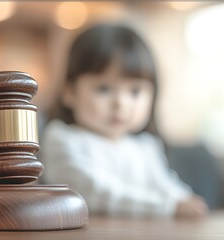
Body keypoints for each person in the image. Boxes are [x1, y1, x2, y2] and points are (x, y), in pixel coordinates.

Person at [41, 24, 208, 219]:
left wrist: (187, 199)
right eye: (103, 88)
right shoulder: (61, 138)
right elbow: (94, 192)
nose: (121, 103)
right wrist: (168, 207)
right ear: (69, 92)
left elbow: (165, 184)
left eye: (135, 91)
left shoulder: (145, 147)